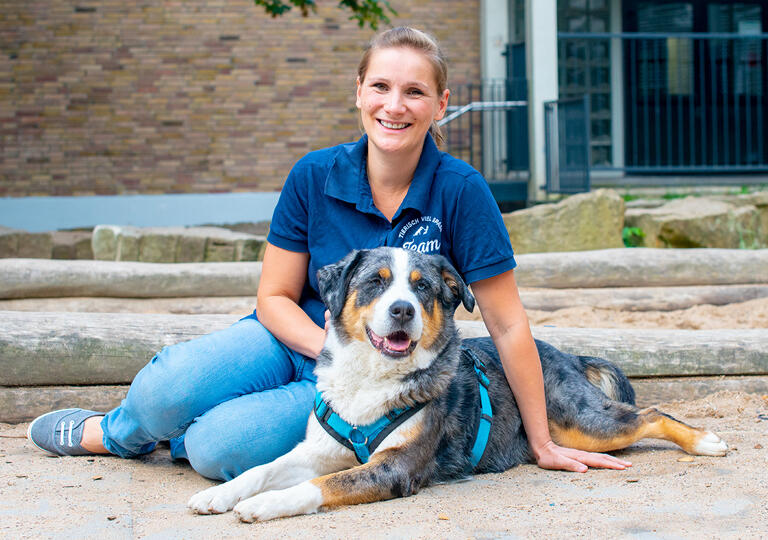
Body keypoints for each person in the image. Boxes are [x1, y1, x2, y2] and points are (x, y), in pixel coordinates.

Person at [28, 26, 631, 481]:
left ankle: (182, 439)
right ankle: (116, 433)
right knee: (168, 388)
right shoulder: (314, 175)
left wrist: (541, 439)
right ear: (359, 93)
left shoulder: (462, 190)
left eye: (415, 92)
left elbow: (507, 322)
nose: (395, 105)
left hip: (377, 376)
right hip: (292, 339)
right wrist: (333, 348)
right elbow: (273, 296)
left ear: (441, 104)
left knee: (218, 450)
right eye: (381, 87)